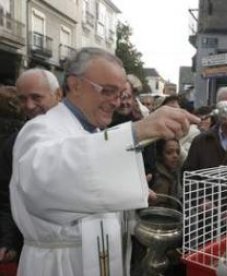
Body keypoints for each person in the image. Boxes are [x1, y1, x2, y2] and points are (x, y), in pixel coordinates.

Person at [9, 47, 199, 276]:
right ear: (75, 84)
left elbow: (91, 182)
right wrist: (136, 131)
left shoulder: (95, 131)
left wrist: (129, 191)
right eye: (108, 91)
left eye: (119, 93)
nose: (116, 102)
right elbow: (44, 183)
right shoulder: (40, 129)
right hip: (61, 265)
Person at [0, 69, 61, 265]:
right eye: (22, 99)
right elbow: (6, 195)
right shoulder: (14, 144)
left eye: (36, 97)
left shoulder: (80, 133)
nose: (29, 105)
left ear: (58, 95)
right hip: (36, 250)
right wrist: (7, 241)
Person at [150, 138, 182, 209]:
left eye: (177, 152)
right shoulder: (153, 174)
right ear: (160, 155)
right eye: (169, 152)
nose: (175, 156)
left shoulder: (177, 173)